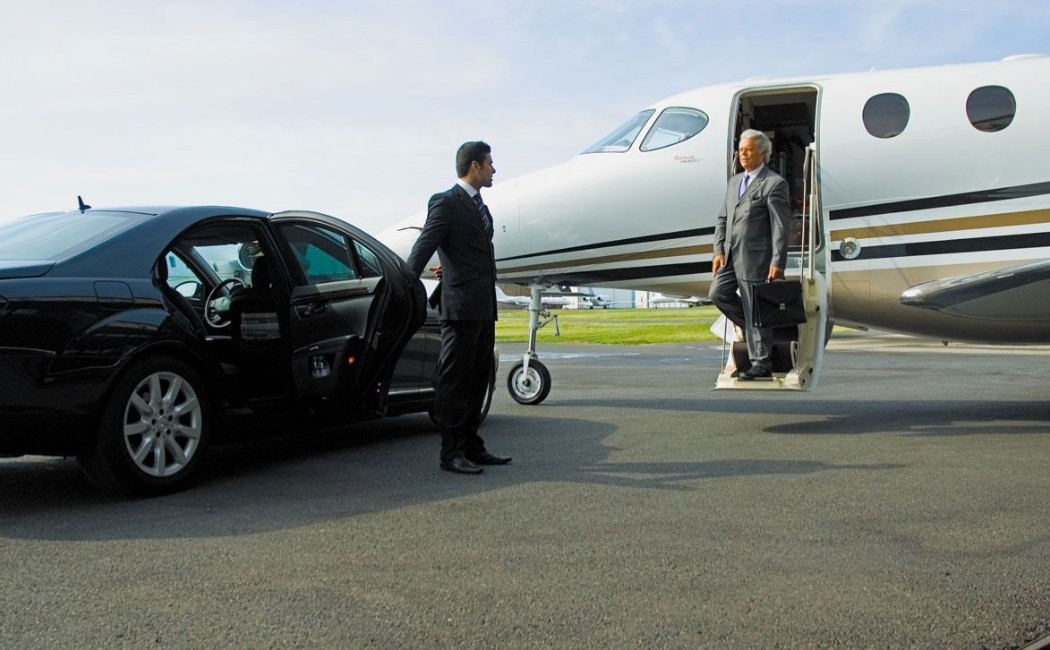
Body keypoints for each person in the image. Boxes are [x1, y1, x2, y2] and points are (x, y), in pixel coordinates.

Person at [405, 141, 511, 474]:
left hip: (482, 306)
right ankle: (450, 452)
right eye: (490, 163)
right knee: (455, 381)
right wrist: (406, 284)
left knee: (479, 379)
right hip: (460, 308)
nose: (494, 169)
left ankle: (471, 445)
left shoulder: (482, 208)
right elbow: (426, 244)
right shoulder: (446, 202)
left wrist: (449, 267)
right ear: (475, 166)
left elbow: (464, 252)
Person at [708, 129, 792, 380]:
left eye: (748, 149)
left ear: (762, 153)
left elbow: (781, 226)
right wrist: (718, 250)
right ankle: (749, 325)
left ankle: (761, 363)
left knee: (754, 305)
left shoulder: (774, 183)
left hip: (757, 257)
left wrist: (778, 262)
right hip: (732, 256)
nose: (742, 154)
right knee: (718, 294)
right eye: (741, 150)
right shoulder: (734, 183)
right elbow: (723, 218)